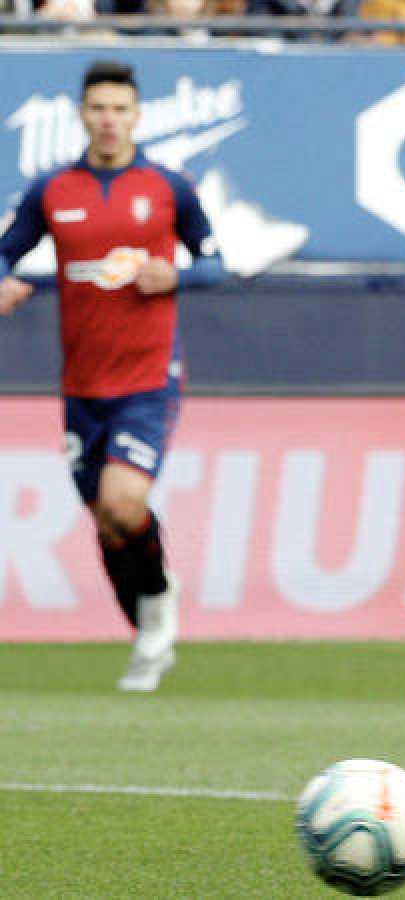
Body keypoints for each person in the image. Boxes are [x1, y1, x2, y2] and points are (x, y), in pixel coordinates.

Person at [0, 61, 226, 692]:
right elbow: (5, 249)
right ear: (81, 114)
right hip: (82, 385)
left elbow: (217, 262)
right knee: (106, 519)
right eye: (98, 108)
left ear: (137, 116)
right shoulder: (53, 189)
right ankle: (149, 618)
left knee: (125, 502)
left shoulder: (166, 187)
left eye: (120, 109)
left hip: (149, 375)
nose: (109, 120)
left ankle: (156, 613)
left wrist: (177, 274)